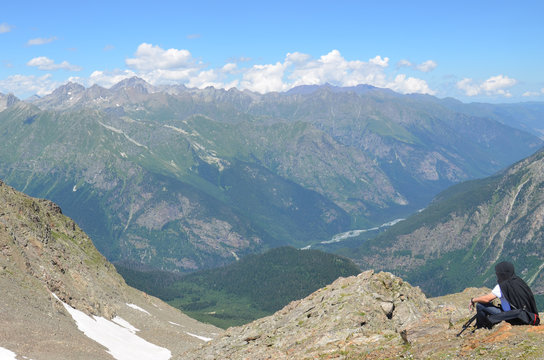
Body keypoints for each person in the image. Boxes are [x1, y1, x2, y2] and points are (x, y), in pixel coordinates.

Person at [469, 261, 539, 328]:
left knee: (480, 305)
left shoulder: (502, 286)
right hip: (527, 316)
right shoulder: (519, 281)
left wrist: (473, 300)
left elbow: (487, 299)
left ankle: (482, 326)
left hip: (511, 317)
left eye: (497, 272)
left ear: (501, 274)